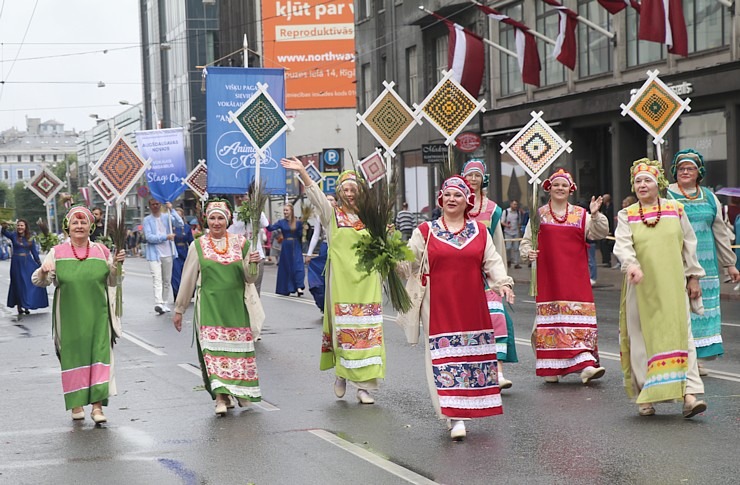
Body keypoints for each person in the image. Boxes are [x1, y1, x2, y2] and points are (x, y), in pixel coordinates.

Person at [407, 175, 514, 440]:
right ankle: (454, 416)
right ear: (441, 199)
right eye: (448, 195)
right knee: (443, 359)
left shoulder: (479, 231)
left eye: (458, 195)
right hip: (438, 304)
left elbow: (493, 261)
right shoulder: (425, 231)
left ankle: (463, 411)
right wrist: (391, 257)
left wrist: (502, 283)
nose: (452, 199)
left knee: (468, 359)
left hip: (471, 305)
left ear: (467, 200)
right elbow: (409, 261)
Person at [282, 157, 384, 405]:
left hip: (368, 285)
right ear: (338, 193)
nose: (349, 194)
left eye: (353, 190)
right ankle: (341, 373)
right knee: (343, 333)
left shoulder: (370, 218)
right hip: (341, 285)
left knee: (367, 335)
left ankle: (364, 388)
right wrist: (304, 174)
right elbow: (316, 196)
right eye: (345, 190)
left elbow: (382, 246)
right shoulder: (332, 216)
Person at [613, 159, 708, 418]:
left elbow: (689, 243)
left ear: (659, 184)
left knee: (681, 336)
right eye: (638, 181)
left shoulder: (675, 209)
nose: (642, 185)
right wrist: (631, 265)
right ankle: (646, 396)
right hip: (640, 287)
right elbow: (622, 244)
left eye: (648, 180)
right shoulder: (627, 214)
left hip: (672, 285)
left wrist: (694, 277)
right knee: (642, 340)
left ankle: (689, 395)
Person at [31, 206, 126, 424]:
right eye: (75, 223)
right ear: (68, 227)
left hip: (98, 316)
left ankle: (97, 407)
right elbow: (38, 281)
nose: (80, 226)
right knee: (73, 358)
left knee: (99, 358)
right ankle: (76, 404)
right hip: (69, 317)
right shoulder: (57, 252)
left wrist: (117, 266)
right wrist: (44, 270)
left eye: (84, 223)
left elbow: (114, 281)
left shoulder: (102, 251)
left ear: (91, 226)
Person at [173, 199, 262, 416]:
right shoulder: (198, 245)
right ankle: (221, 397)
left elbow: (250, 279)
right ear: (206, 220)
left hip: (235, 308)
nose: (216, 222)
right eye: (212, 218)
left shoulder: (242, 243)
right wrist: (180, 308)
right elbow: (188, 279)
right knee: (213, 352)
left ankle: (238, 391)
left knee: (237, 353)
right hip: (210, 307)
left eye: (220, 218)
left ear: (228, 220)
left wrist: (253, 263)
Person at [520, 169, 609, 384]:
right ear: (549, 189)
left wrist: (596, 214)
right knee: (552, 320)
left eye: (564, 185)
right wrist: (528, 253)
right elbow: (526, 243)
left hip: (576, 278)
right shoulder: (538, 214)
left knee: (578, 320)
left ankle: (585, 363)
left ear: (571, 190)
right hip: (549, 277)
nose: (560, 188)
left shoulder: (581, 214)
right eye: (556, 185)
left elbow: (600, 233)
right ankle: (553, 365)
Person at [666, 150, 739, 374]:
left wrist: (730, 263)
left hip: (706, 265)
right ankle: (681, 356)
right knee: (680, 310)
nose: (685, 172)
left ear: (699, 173)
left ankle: (696, 358)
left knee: (701, 310)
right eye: (680, 169)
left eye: (690, 168)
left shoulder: (709, 196)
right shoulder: (666, 194)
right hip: (676, 261)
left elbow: (720, 231)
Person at [462, 159, 517, 388]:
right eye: (470, 175)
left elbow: (497, 244)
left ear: (483, 178)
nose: (473, 180)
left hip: (486, 274)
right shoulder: (456, 202)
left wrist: (501, 278)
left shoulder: (493, 210)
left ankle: (499, 371)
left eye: (477, 175)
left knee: (496, 319)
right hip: (462, 274)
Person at [143, 199, 183, 314]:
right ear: (149, 206)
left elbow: (180, 223)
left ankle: (164, 302)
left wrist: (172, 209)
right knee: (157, 278)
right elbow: (149, 237)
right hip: (154, 254)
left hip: (168, 252)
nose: (155, 206)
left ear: (160, 205)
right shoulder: (147, 220)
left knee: (166, 279)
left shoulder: (167, 217)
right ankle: (158, 303)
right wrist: (165, 237)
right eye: (152, 204)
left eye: (157, 204)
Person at [2, 219, 48, 317]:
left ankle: (26, 305)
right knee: (18, 284)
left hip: (28, 263)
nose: (20, 227)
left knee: (28, 283)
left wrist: (40, 264)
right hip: (16, 263)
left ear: (25, 227)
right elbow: (4, 232)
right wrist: (5, 226)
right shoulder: (13, 235)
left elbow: (34, 252)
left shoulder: (30, 237)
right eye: (18, 225)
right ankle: (19, 305)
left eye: (22, 225)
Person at [229, 193, 270, 295]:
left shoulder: (255, 214)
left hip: (256, 255)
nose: (239, 199)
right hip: (239, 257)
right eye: (236, 197)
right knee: (240, 289)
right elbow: (229, 233)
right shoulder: (232, 215)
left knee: (255, 291)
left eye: (242, 196)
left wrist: (256, 209)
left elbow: (265, 224)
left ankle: (254, 311)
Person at [306, 194, 336, 312]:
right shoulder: (320, 216)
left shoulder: (340, 215)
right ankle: (324, 303)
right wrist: (309, 253)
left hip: (337, 247)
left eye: (331, 200)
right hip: (325, 247)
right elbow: (315, 235)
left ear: (336, 203)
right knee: (323, 277)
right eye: (326, 200)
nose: (328, 202)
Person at [266, 203, 305, 297]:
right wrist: (263, 220)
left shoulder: (298, 222)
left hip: (296, 245)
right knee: (287, 267)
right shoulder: (281, 222)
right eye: (284, 210)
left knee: (298, 266)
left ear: (291, 211)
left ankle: (299, 286)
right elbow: (271, 228)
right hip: (286, 246)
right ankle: (288, 287)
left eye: (287, 210)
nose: (285, 212)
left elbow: (300, 235)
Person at [171, 208, 194, 300]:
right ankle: (177, 293)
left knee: (186, 272)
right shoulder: (170, 227)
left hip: (184, 251)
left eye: (179, 216)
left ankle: (187, 293)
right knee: (176, 273)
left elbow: (191, 240)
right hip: (174, 251)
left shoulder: (186, 227)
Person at [501, 200, 523, 268]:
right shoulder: (506, 212)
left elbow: (519, 222)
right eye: (514, 204)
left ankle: (516, 263)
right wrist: (507, 225)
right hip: (508, 232)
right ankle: (508, 261)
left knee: (516, 248)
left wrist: (519, 229)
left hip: (515, 232)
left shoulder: (518, 212)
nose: (515, 206)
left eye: (516, 204)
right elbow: (502, 221)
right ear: (511, 204)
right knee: (508, 247)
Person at [599, 194, 615, 267]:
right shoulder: (604, 207)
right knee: (603, 244)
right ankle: (605, 260)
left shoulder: (611, 207)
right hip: (605, 228)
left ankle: (608, 261)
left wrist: (610, 230)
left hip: (610, 229)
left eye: (604, 198)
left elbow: (610, 219)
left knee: (607, 245)